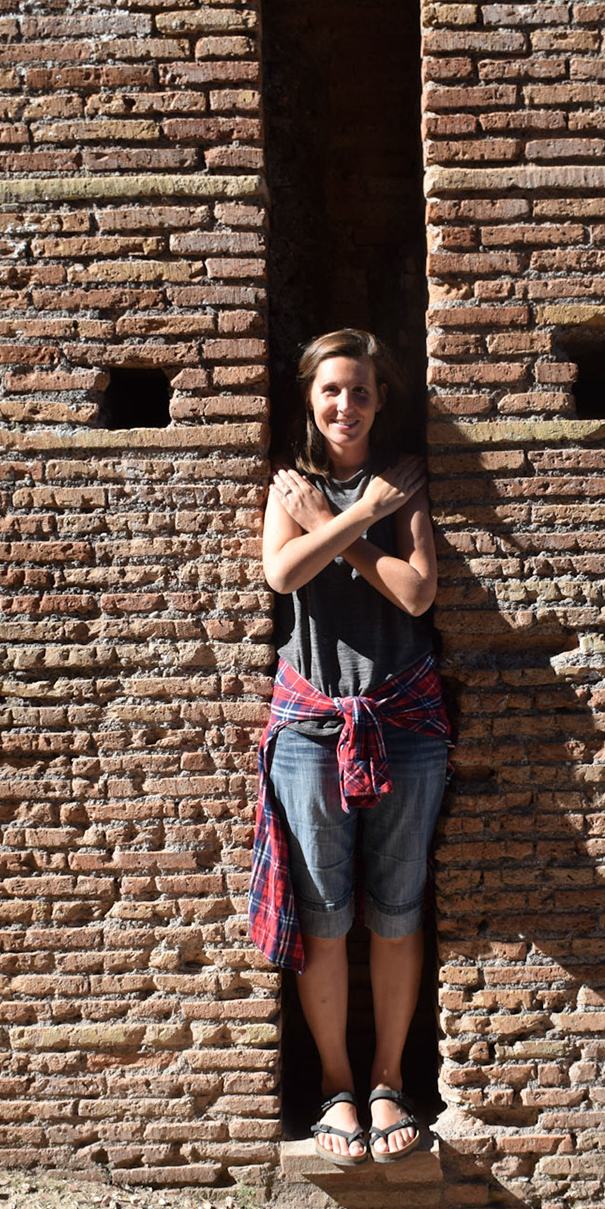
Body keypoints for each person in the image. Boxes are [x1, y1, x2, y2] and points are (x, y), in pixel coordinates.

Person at [250, 328, 448, 1166]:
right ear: (310, 397)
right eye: (331, 390)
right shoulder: (289, 484)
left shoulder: (400, 484)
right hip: (309, 729)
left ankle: (388, 1082)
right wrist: (361, 517)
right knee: (325, 917)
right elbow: (283, 575)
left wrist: (344, 521)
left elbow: (416, 592)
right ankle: (336, 1088)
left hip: (403, 723)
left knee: (398, 913)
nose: (345, 405)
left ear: (380, 398)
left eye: (360, 390)